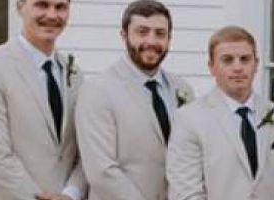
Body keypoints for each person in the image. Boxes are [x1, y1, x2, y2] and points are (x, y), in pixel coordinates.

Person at [0, 0, 87, 199]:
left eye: (60, 7)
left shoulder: (75, 75)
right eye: (42, 5)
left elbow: (84, 153)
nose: (52, 15)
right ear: (20, 7)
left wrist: (70, 194)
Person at [76, 1, 194, 199]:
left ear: (169, 38)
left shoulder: (182, 89)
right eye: (142, 31)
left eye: (160, 33)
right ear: (124, 35)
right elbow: (101, 171)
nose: (151, 41)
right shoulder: (97, 90)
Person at [166, 26, 274, 200]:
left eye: (245, 59)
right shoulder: (189, 119)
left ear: (256, 64)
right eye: (227, 60)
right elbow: (186, 193)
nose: (238, 67)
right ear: (211, 67)